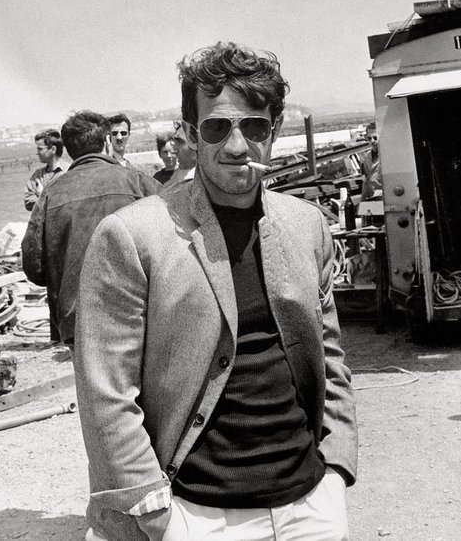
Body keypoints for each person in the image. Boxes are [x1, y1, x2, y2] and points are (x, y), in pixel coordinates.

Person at [75, 43, 357, 541]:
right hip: (195, 513)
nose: (237, 145)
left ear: (274, 131)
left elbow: (330, 355)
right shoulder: (133, 236)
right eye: (217, 127)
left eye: (254, 127)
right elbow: (106, 390)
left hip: (310, 506)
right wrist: (153, 511)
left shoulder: (307, 225)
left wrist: (336, 465)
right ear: (190, 134)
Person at [21, 110, 160, 346]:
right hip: (137, 315)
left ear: (69, 150)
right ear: (106, 141)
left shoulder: (51, 194)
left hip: (77, 323)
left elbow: (34, 266)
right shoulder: (139, 182)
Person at [24, 129, 67, 211]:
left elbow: (70, 201)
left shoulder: (69, 171)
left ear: (53, 149)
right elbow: (28, 202)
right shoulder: (37, 174)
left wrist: (42, 195)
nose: (37, 153)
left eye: (40, 149)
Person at [360, 121, 382, 201]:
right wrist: (362, 201)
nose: (372, 141)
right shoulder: (367, 157)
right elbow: (366, 181)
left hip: (385, 198)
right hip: (372, 198)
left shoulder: (388, 156)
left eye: (375, 138)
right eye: (369, 138)